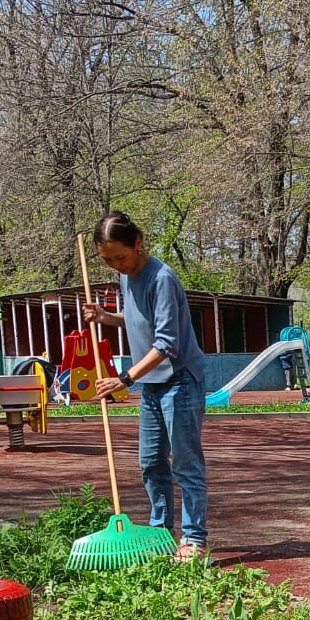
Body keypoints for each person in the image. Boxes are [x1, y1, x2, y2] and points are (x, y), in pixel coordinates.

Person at [83, 211, 209, 562]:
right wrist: (106, 318)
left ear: (138, 244)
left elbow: (166, 342)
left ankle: (194, 540)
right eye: (106, 260)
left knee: (185, 464)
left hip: (180, 380)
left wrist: (124, 378)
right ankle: (159, 534)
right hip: (152, 384)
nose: (115, 265)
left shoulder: (162, 278)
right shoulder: (126, 277)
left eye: (119, 257)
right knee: (151, 463)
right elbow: (141, 319)